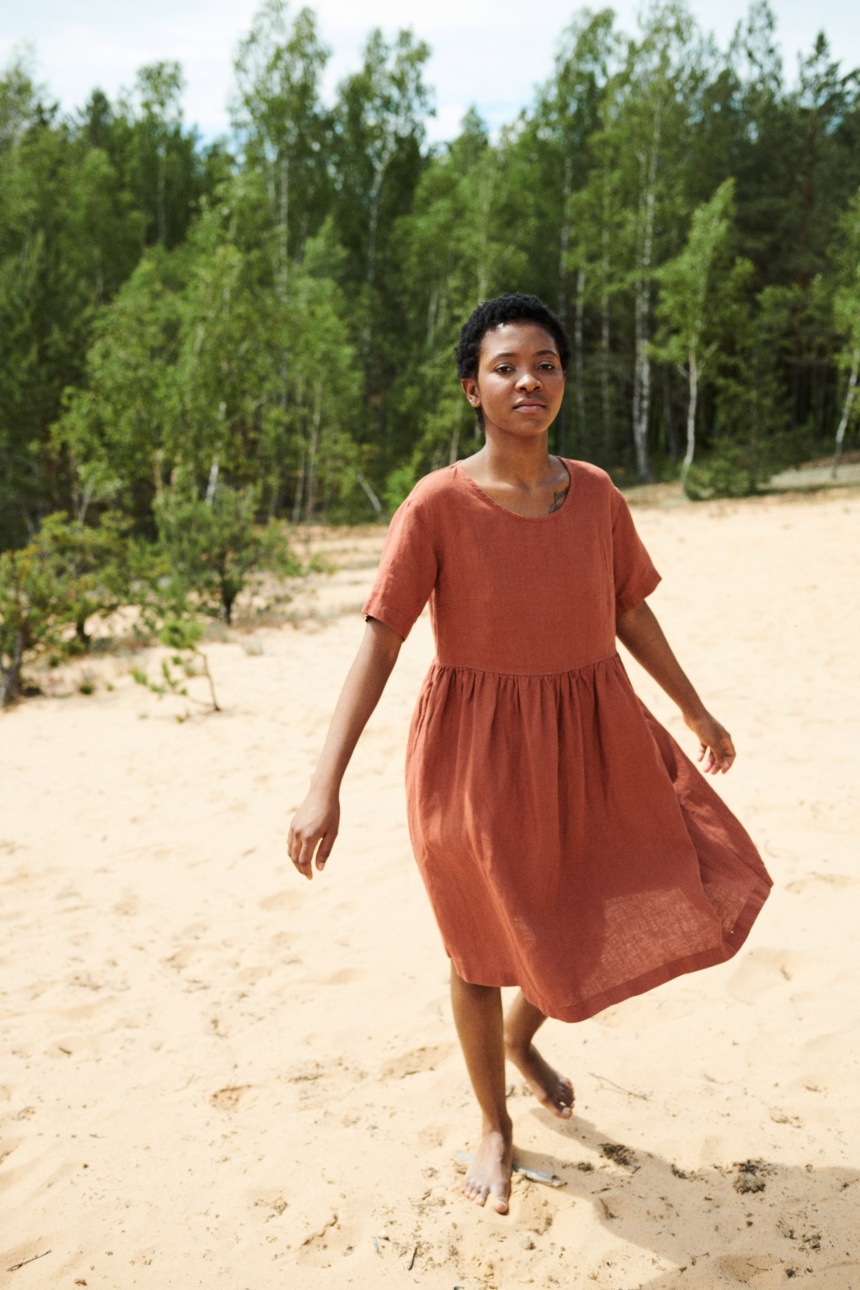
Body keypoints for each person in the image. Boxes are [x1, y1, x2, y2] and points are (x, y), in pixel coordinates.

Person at [288, 293, 771, 1215]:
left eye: (545, 364)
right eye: (506, 366)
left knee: (585, 909)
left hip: (594, 736)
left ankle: (521, 1036)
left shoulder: (594, 493)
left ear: (562, 383)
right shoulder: (435, 504)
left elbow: (629, 610)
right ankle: (494, 1127)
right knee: (480, 945)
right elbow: (381, 641)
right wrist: (325, 786)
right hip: (472, 758)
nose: (528, 381)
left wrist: (697, 711)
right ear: (473, 387)